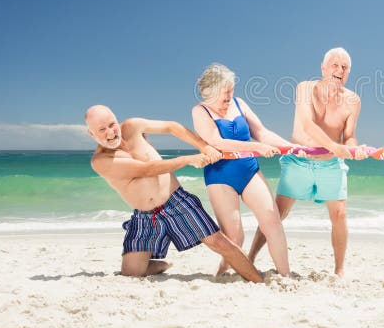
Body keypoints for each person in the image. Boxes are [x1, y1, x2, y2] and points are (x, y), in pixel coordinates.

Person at [85, 105, 262, 282]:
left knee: (219, 242)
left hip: (175, 202)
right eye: (102, 130)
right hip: (145, 216)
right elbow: (147, 170)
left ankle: (258, 281)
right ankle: (162, 265)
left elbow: (171, 127)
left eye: (112, 124)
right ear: (92, 135)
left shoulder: (132, 126)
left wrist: (204, 147)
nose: (110, 132)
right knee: (131, 272)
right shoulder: (100, 161)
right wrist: (187, 159)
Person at [248, 47, 368, 277]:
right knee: (277, 213)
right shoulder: (304, 88)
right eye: (334, 64)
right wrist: (336, 147)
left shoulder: (353, 101)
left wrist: (351, 149)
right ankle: (250, 257)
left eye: (344, 67)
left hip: (331, 164)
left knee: (340, 214)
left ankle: (339, 270)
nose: (339, 70)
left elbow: (349, 136)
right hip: (298, 161)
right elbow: (307, 125)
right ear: (323, 68)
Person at [191, 63, 292, 276]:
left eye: (231, 89)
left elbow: (262, 133)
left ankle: (286, 276)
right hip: (220, 176)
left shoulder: (239, 103)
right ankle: (222, 273)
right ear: (210, 91)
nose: (229, 95)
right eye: (224, 91)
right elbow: (216, 142)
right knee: (235, 238)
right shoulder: (200, 111)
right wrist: (255, 147)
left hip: (249, 170)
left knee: (272, 221)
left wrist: (291, 148)